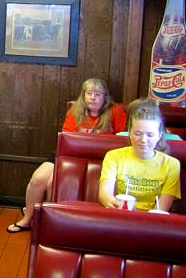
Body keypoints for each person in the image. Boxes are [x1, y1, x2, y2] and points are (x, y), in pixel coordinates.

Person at [7, 78, 127, 233]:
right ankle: (28, 219)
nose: (92, 97)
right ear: (83, 96)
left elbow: (120, 140)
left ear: (105, 97)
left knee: (52, 183)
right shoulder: (75, 110)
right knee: (38, 179)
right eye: (89, 93)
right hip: (68, 155)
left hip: (100, 160)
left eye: (97, 94)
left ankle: (47, 224)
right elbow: (66, 139)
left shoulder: (116, 111)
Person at [99, 98, 181, 211]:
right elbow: (105, 194)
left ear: (159, 135)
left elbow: (162, 209)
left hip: (152, 222)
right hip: (120, 215)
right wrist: (116, 205)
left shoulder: (172, 165)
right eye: (138, 133)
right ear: (130, 133)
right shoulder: (113, 157)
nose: (143, 140)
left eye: (150, 135)